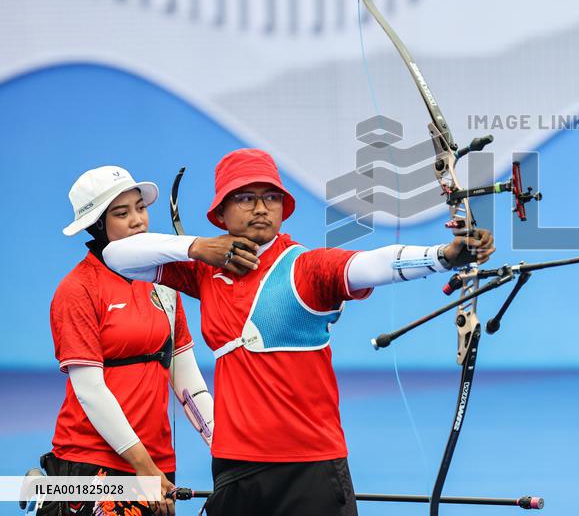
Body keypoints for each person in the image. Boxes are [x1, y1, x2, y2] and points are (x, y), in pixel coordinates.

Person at [103, 148, 495, 516]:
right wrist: (197, 247)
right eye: (245, 198)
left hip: (310, 467)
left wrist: (442, 256)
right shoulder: (206, 269)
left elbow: (369, 264)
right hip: (235, 466)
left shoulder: (307, 267)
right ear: (220, 212)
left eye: (271, 197)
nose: (260, 208)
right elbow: (116, 255)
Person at [48, 166, 215, 516]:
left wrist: (224, 446)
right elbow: (90, 391)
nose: (138, 220)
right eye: (122, 213)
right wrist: (143, 467)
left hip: (156, 461)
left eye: (140, 207)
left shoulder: (164, 281)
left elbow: (185, 378)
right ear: (97, 226)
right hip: (92, 463)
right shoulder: (77, 289)